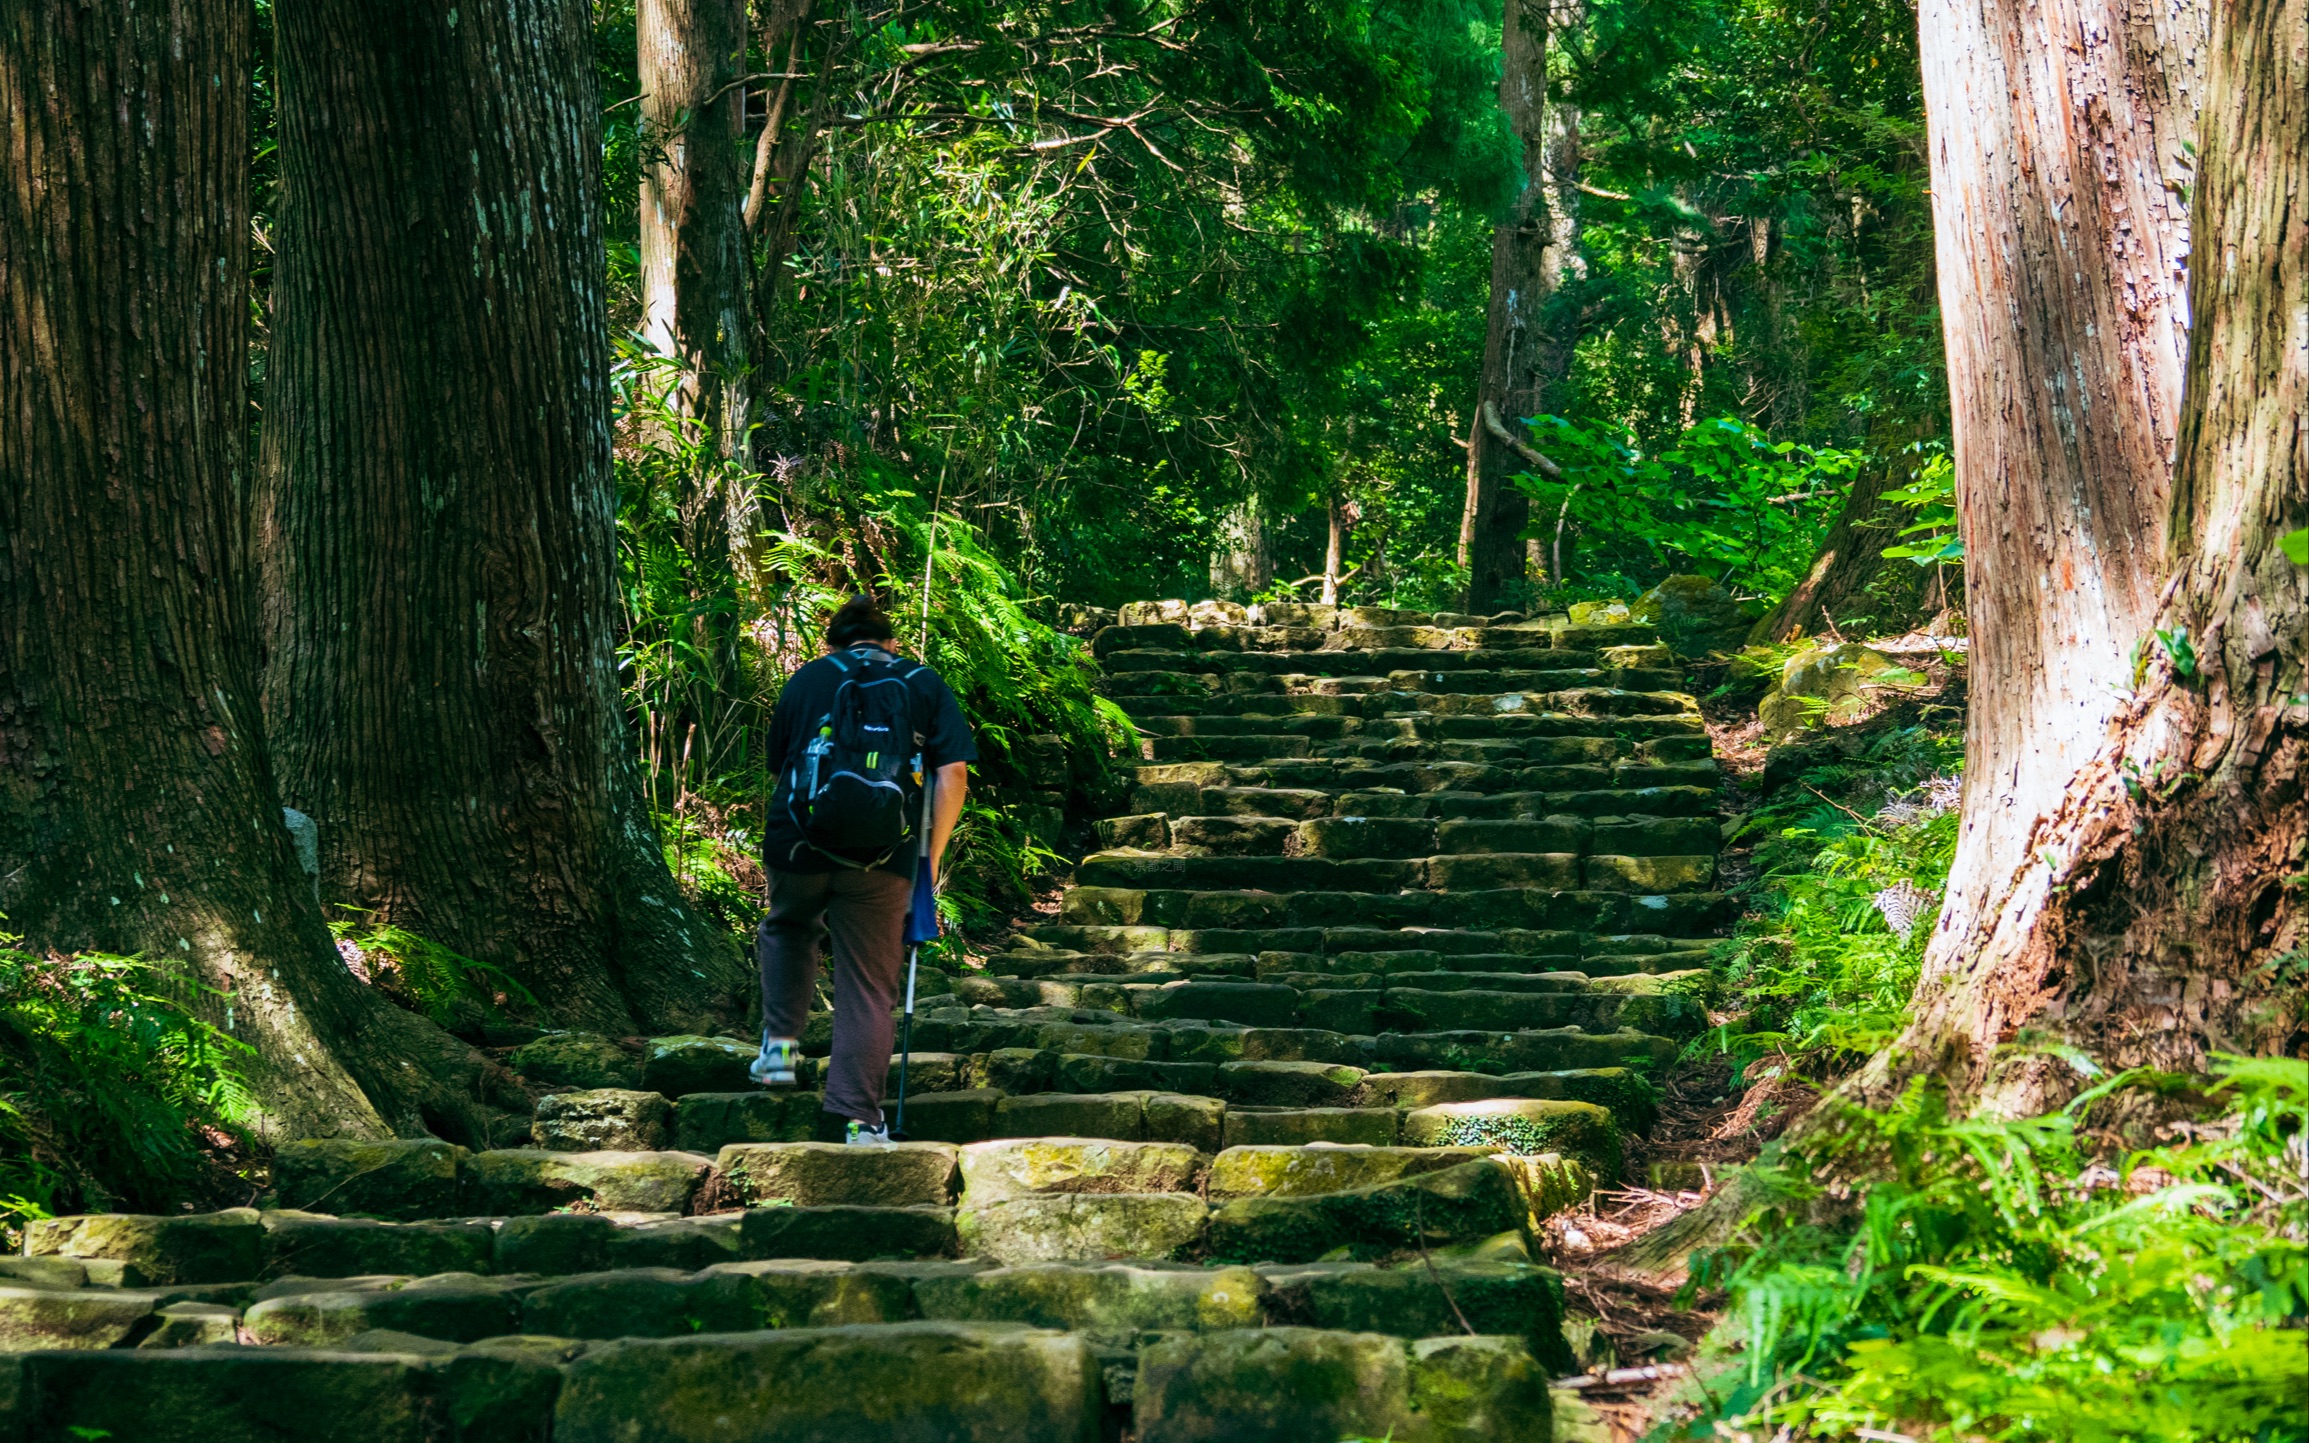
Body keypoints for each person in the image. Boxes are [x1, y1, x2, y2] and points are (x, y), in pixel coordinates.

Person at [751, 594, 974, 1146]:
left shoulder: (807, 679)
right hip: (885, 853)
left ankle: (779, 1052)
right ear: (890, 642)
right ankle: (860, 1118)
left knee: (788, 927)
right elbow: (955, 773)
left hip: (799, 843)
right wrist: (930, 855)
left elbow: (780, 766)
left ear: (835, 642)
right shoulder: (920, 681)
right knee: (869, 983)